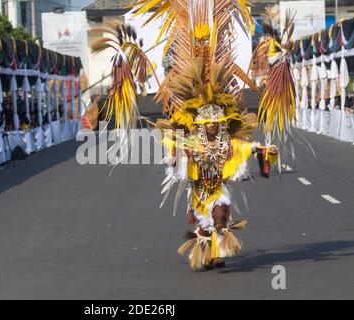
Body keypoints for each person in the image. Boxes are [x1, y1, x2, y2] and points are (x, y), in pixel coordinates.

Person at [93, 2, 295, 271]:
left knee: (220, 215)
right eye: (207, 123)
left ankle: (220, 249)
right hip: (199, 186)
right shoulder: (192, 138)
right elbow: (173, 147)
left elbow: (242, 146)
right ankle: (208, 252)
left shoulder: (224, 137)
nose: (211, 126)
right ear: (201, 124)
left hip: (218, 184)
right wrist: (176, 153)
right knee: (204, 222)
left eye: (215, 123)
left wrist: (262, 150)